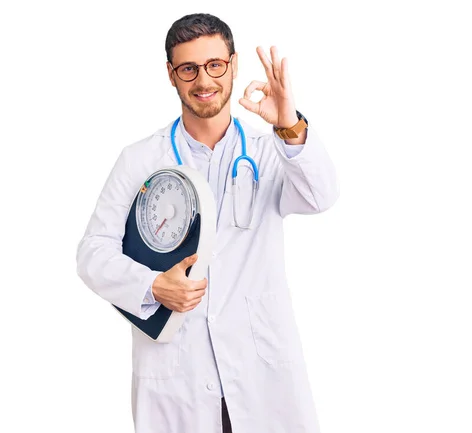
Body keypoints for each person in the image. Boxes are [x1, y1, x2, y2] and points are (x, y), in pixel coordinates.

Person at [76, 13, 339, 433]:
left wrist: (288, 125)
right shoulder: (141, 160)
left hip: (259, 371)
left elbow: (321, 195)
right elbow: (93, 253)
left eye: (215, 65)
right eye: (189, 68)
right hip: (178, 378)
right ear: (171, 74)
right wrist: (151, 286)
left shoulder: (267, 151)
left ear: (233, 65)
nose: (204, 80)